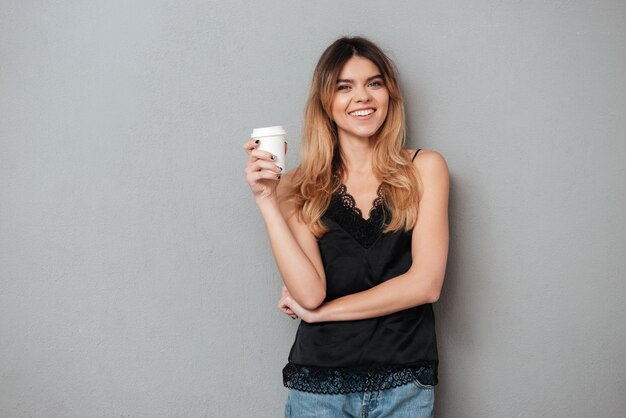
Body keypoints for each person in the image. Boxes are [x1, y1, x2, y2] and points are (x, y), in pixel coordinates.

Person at [243, 36, 449, 418]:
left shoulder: (425, 169)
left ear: (389, 94)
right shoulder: (298, 185)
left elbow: (425, 284)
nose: (363, 97)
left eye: (374, 83)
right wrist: (266, 199)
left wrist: (324, 314)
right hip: (319, 387)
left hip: (404, 384)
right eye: (344, 86)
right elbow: (309, 292)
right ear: (326, 101)